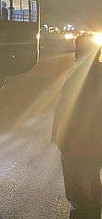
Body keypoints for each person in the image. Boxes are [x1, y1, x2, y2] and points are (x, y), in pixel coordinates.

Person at [52, 43, 102, 218]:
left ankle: (87, 209)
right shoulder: (76, 73)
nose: (75, 55)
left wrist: (58, 135)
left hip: (81, 141)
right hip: (84, 142)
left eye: (78, 51)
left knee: (83, 184)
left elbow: (63, 106)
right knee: (87, 181)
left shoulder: (77, 74)